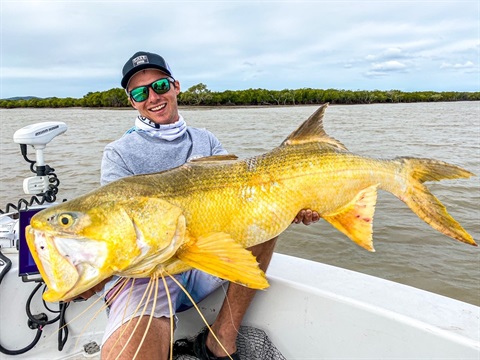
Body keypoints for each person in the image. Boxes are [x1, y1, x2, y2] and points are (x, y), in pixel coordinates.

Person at [95, 51, 319, 360]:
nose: (152, 97)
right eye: (139, 92)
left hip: (204, 260)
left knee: (266, 217)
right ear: (132, 102)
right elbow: (117, 230)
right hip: (152, 271)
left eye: (159, 86)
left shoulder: (206, 140)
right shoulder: (118, 154)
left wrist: (295, 202)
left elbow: (243, 195)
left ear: (175, 86)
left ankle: (221, 340)